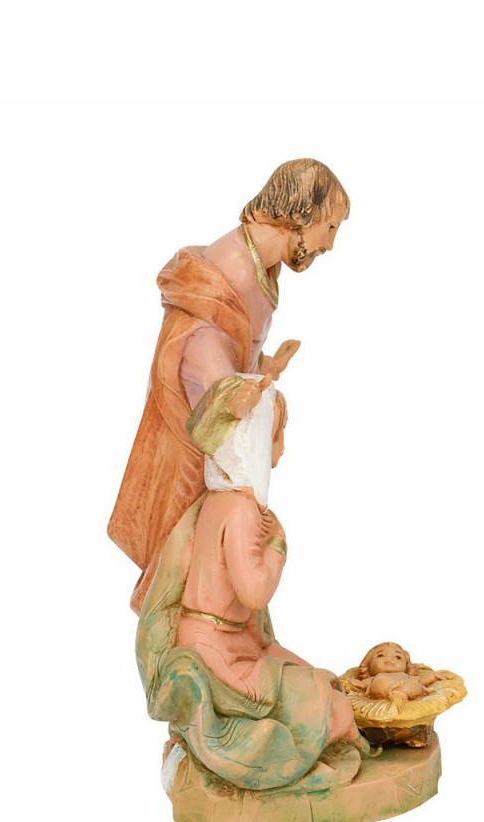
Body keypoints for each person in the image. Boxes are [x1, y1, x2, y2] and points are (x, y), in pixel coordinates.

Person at [108, 159, 350, 612]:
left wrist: (264, 368)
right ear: (303, 214)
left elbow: (236, 342)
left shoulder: (263, 267)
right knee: (182, 532)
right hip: (193, 424)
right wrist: (234, 393)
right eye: (330, 227)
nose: (330, 244)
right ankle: (179, 625)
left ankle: (209, 621)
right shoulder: (232, 269)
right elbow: (200, 344)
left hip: (218, 418)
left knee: (208, 538)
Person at [135, 374, 367, 792]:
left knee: (321, 679)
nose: (281, 447)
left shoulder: (215, 501)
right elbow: (254, 592)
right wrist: (277, 547)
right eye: (276, 434)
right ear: (254, 438)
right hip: (219, 655)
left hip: (227, 641)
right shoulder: (241, 510)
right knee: (332, 709)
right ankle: (261, 748)